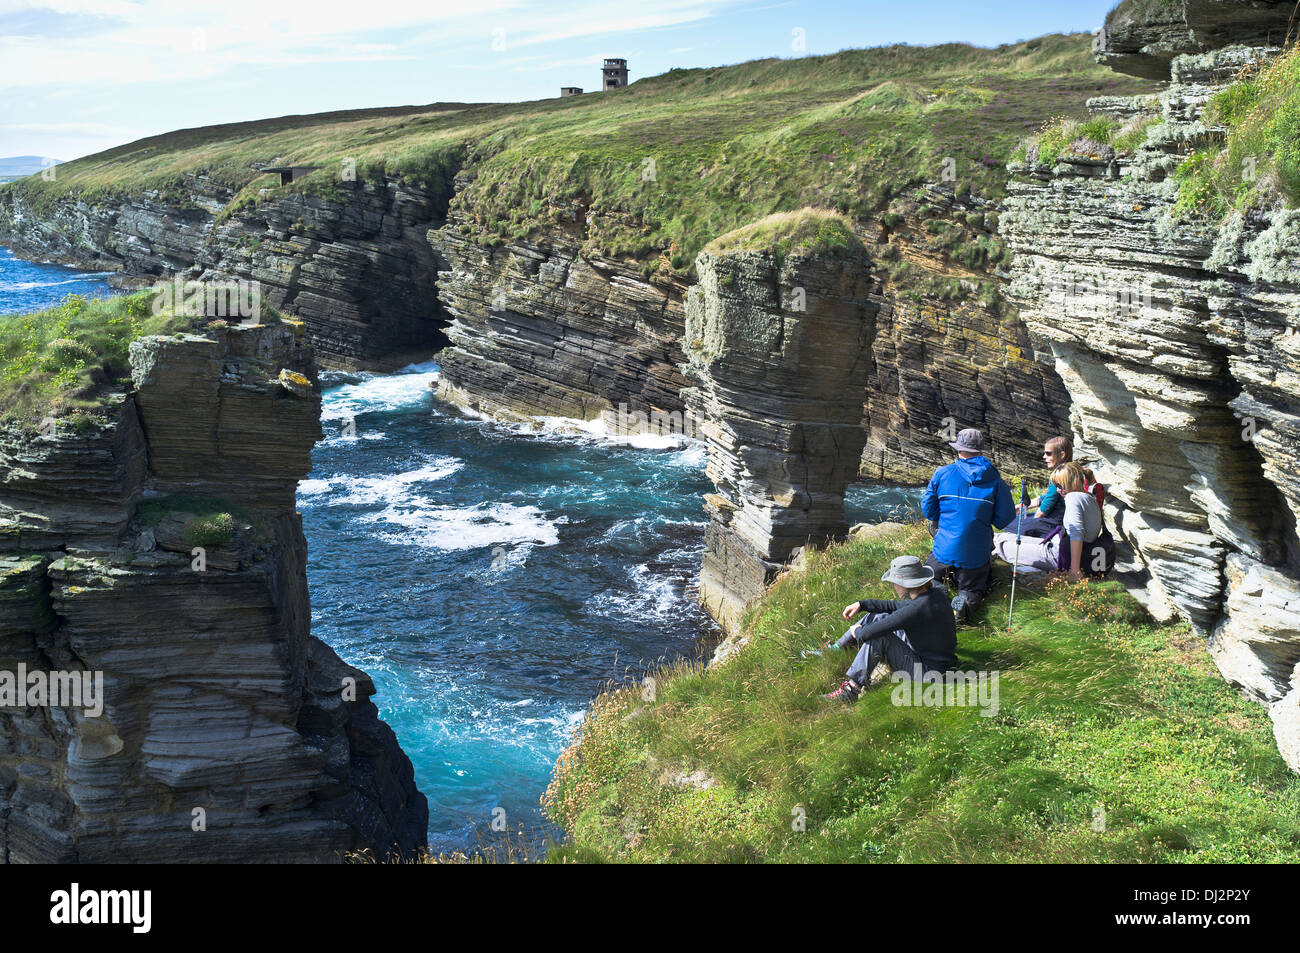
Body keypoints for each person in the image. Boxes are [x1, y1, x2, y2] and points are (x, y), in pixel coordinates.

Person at [822, 555, 958, 703]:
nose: (894, 586)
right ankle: (836, 649)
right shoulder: (935, 594)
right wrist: (862, 604)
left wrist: (857, 631)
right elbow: (893, 607)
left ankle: (850, 691)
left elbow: (865, 634)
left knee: (881, 638)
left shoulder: (915, 610)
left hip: (931, 674)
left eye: (895, 582)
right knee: (878, 616)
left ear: (906, 584)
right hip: (937, 660)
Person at [920, 428, 1016, 622]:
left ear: (958, 450)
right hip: (977, 553)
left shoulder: (942, 473)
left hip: (944, 548)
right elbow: (1004, 518)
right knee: (972, 588)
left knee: (929, 577)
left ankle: (938, 596)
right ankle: (962, 604)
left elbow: (929, 510)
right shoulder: (995, 480)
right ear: (981, 451)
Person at [993, 462, 1103, 579]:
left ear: (1074, 482)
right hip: (1056, 545)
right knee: (1003, 537)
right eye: (1056, 486)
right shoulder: (1090, 497)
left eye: (1060, 486)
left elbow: (1076, 533)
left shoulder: (1073, 498)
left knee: (996, 543)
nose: (1058, 490)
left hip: (1056, 555)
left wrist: (1075, 570)